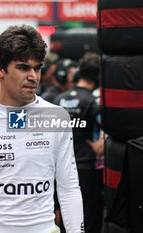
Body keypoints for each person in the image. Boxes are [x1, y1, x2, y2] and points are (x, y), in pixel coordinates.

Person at [0, 25, 84, 233]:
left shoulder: (57, 118)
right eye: (23, 67)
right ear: (0, 69)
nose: (33, 76)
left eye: (37, 68)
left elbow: (69, 188)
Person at [54, 52, 104, 233]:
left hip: (59, 167)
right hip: (85, 167)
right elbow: (106, 128)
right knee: (87, 218)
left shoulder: (59, 99)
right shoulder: (92, 101)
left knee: (62, 219)